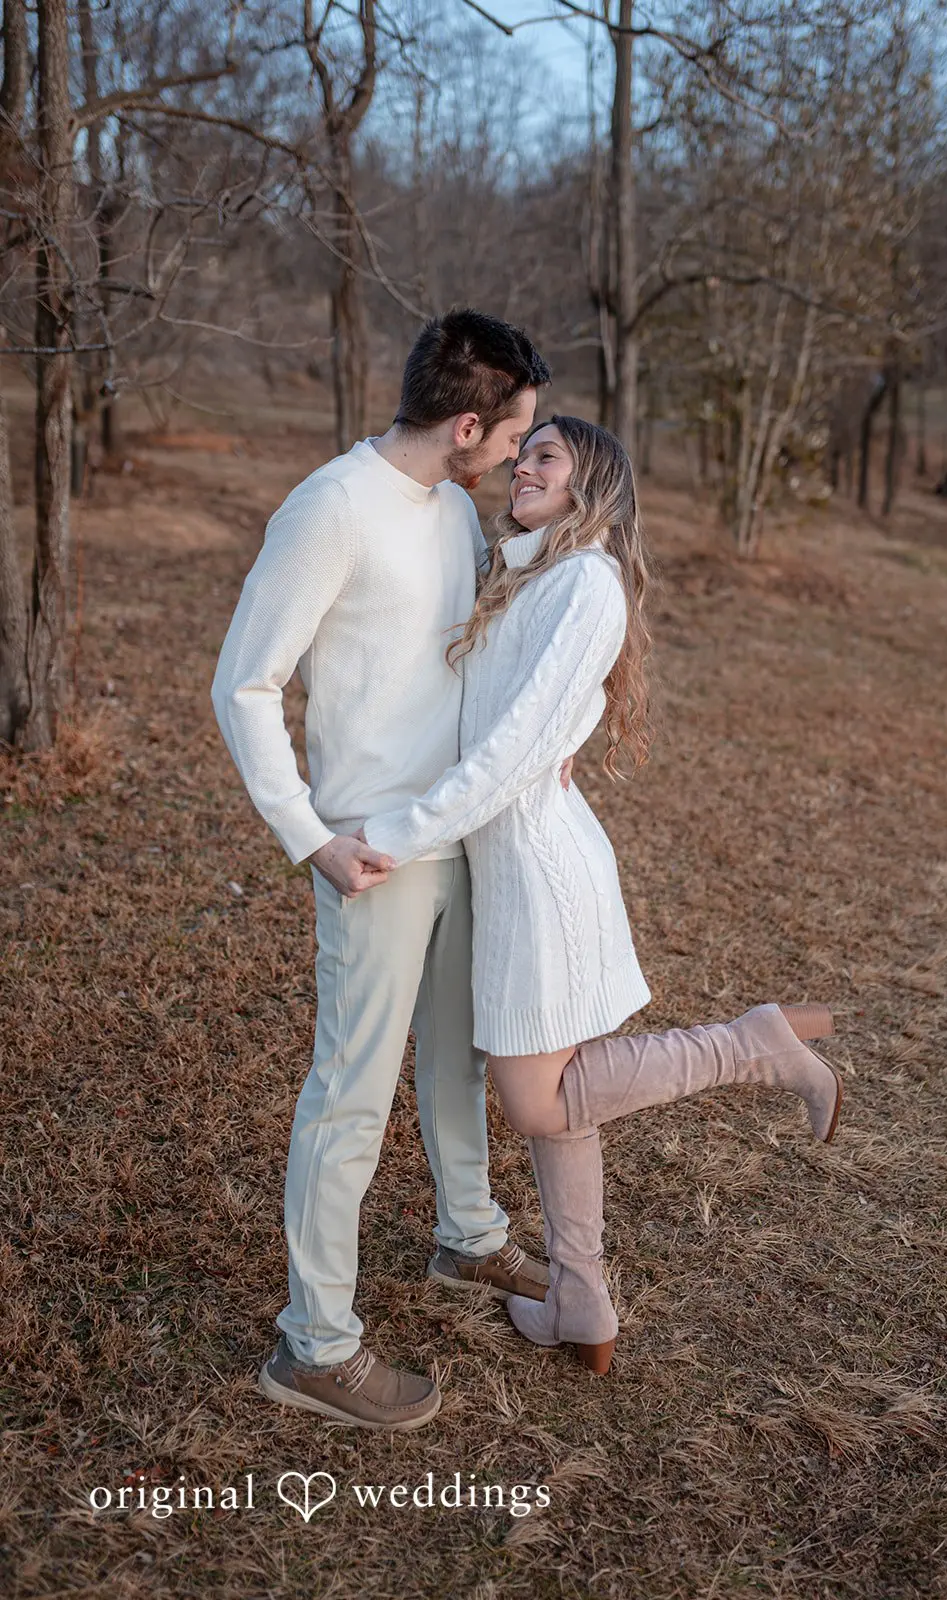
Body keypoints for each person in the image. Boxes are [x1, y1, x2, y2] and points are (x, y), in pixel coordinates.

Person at [360, 415, 843, 1376]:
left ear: (591, 485)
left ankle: (751, 1045)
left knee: (538, 1103)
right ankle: (580, 1299)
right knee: (564, 1087)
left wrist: (395, 834)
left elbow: (509, 752)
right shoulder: (530, 576)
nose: (522, 466)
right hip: (505, 867)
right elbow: (493, 722)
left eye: (545, 455)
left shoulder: (584, 584)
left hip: (539, 878)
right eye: (523, 452)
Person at [212, 309, 563, 1433]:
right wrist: (308, 834)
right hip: (369, 849)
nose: (513, 453)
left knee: (459, 1054)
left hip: (460, 831)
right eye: (509, 434)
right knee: (350, 1095)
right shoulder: (328, 509)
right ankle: (313, 1345)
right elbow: (244, 684)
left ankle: (468, 1235)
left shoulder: (453, 508)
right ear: (465, 426)